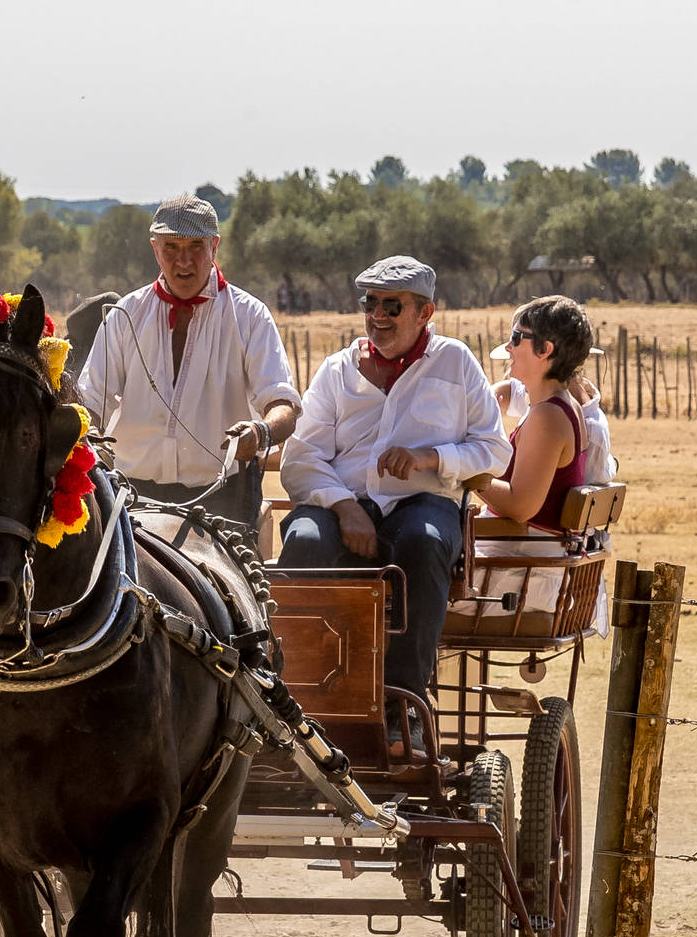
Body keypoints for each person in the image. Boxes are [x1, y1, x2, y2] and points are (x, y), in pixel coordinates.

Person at [278, 256, 508, 739]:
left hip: (422, 501)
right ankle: (302, 700)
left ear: (426, 313)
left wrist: (432, 458)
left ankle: (403, 706)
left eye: (392, 305)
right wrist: (343, 508)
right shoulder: (337, 370)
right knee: (303, 540)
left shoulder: (455, 362)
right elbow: (300, 458)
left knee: (423, 543)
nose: (378, 314)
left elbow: (494, 451)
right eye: (371, 303)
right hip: (344, 498)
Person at [75, 195, 300, 533]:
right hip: (132, 492)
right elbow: (91, 403)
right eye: (171, 247)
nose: (183, 260)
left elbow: (283, 404)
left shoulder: (250, 315)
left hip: (222, 492)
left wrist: (260, 432)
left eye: (196, 246)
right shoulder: (126, 314)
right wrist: (81, 433)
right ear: (155, 249)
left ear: (215, 248)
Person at [475, 296, 597, 529]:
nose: (509, 347)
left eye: (516, 337)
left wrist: (467, 473)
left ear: (545, 350)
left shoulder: (548, 417)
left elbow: (521, 507)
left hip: (523, 557)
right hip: (523, 551)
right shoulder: (561, 406)